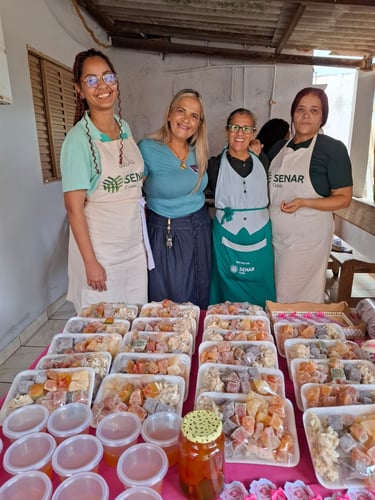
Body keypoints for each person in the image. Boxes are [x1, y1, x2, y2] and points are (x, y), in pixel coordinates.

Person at [61, 48, 152, 313]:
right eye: (91, 80)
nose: (102, 86)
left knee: (135, 323)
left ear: (116, 82)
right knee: (101, 328)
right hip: (101, 252)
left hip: (132, 249)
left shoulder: (123, 127)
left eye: (107, 77)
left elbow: (132, 177)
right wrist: (91, 263)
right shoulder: (77, 141)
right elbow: (74, 208)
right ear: (79, 89)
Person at [268, 87, 353, 304]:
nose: (306, 116)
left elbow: (344, 198)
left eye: (314, 110)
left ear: (323, 117)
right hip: (273, 237)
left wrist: (304, 202)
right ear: (293, 113)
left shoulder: (332, 149)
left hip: (307, 240)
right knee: (273, 294)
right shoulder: (278, 147)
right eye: (300, 109)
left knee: (297, 299)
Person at [138, 89, 211, 309]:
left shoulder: (196, 152)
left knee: (199, 293)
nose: (186, 120)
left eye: (194, 116)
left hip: (199, 231)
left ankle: (195, 341)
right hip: (163, 233)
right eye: (181, 111)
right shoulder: (147, 148)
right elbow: (129, 190)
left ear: (198, 124)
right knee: (166, 298)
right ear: (169, 114)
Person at [207, 108, 276, 307]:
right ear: (227, 130)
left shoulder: (263, 159)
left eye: (246, 128)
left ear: (253, 133)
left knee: (260, 285)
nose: (240, 133)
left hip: (259, 234)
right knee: (225, 288)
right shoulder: (214, 165)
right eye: (235, 127)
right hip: (226, 235)